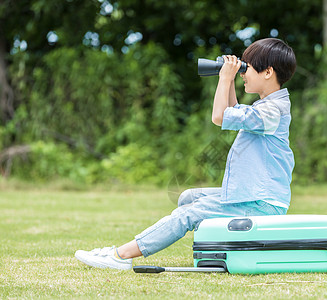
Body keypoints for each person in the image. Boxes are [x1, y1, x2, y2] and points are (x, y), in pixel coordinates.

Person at [75, 38, 297, 270]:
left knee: (189, 213)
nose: (243, 73)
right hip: (253, 195)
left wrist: (225, 77)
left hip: (261, 202)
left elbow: (220, 117)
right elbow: (234, 113)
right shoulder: (268, 106)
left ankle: (120, 256)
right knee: (188, 197)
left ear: (268, 72)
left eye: (247, 67)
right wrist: (229, 79)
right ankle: (220, 248)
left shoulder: (274, 110)